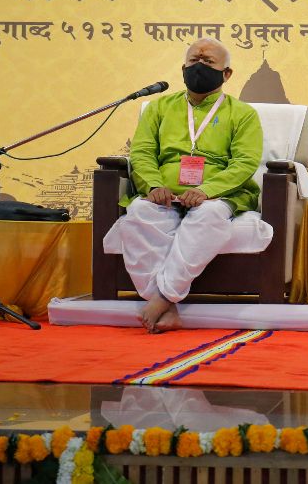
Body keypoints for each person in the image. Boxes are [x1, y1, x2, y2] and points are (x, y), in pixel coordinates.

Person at [108, 38, 263, 333]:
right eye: (194, 61)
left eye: (208, 62)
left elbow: (244, 162)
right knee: (139, 213)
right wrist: (153, 185)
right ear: (182, 68)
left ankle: (162, 299)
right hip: (163, 194)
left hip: (218, 194)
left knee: (208, 216)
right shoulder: (158, 108)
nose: (199, 67)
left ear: (227, 74)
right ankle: (169, 307)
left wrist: (207, 190)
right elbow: (141, 153)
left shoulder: (242, 114)